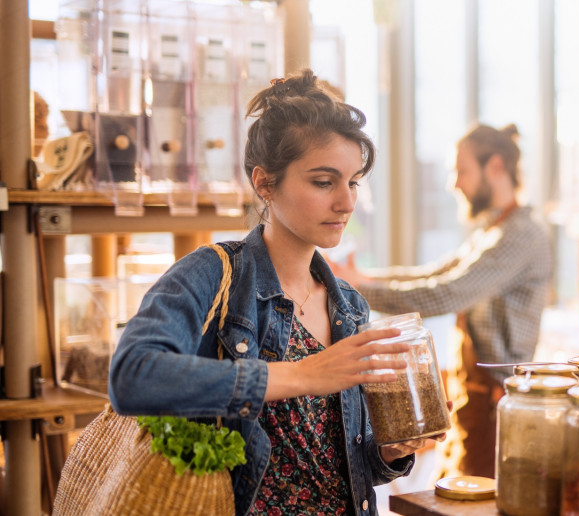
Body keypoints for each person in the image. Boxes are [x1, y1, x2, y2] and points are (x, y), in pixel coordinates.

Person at [109, 68, 444, 516]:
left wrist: (392, 452)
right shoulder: (213, 273)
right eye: (324, 182)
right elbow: (131, 377)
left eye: (353, 182)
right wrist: (304, 374)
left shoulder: (349, 305)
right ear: (264, 182)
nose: (346, 202)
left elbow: (345, 464)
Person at [329, 123, 553, 478]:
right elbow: (433, 274)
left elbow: (445, 293)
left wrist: (356, 286)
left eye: (462, 170)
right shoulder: (494, 231)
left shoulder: (521, 236)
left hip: (497, 404)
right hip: (475, 398)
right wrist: (363, 279)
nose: (455, 183)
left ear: (495, 167)